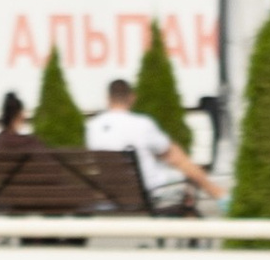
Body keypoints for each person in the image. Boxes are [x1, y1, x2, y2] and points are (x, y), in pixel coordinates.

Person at [84, 73, 219, 210]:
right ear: (132, 98)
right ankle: (216, 200)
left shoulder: (93, 126)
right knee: (185, 177)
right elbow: (173, 155)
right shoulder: (143, 124)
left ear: (108, 99)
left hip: (110, 197)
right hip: (146, 196)